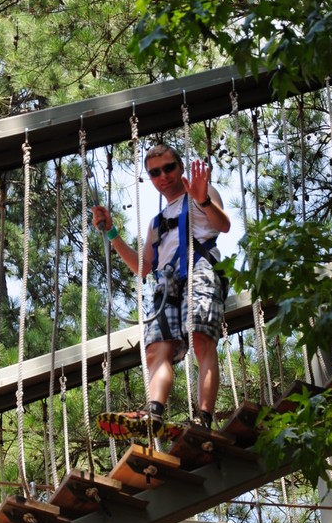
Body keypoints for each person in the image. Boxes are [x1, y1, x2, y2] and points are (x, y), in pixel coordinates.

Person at [92, 143, 231, 435]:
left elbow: (224, 225)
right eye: (155, 173)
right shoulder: (156, 223)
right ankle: (153, 411)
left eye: (168, 168)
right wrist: (112, 232)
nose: (163, 176)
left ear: (180, 168)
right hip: (166, 284)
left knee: (201, 339)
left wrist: (204, 200)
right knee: (157, 350)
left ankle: (204, 419)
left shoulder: (201, 194)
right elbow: (143, 267)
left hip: (200, 270)